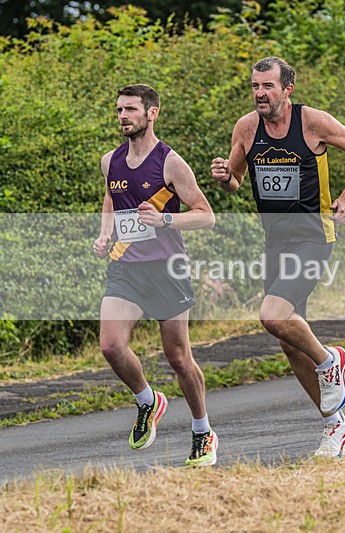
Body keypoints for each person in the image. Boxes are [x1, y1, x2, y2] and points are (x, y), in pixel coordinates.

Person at [210, 57, 345, 457]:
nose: (260, 93)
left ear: (287, 90)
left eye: (268, 86)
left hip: (313, 237)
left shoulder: (312, 122)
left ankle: (330, 360)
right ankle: (337, 425)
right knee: (288, 342)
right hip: (276, 243)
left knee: (272, 315)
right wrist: (225, 177)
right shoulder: (246, 128)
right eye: (255, 86)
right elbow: (236, 181)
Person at [93, 84, 219, 466]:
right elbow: (111, 200)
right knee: (111, 346)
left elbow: (206, 215)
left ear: (152, 113)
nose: (123, 116)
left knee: (178, 358)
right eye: (119, 109)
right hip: (126, 268)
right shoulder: (110, 161)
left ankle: (202, 430)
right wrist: (105, 234)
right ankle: (148, 400)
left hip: (167, 270)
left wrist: (165, 219)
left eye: (131, 109)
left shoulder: (171, 163)